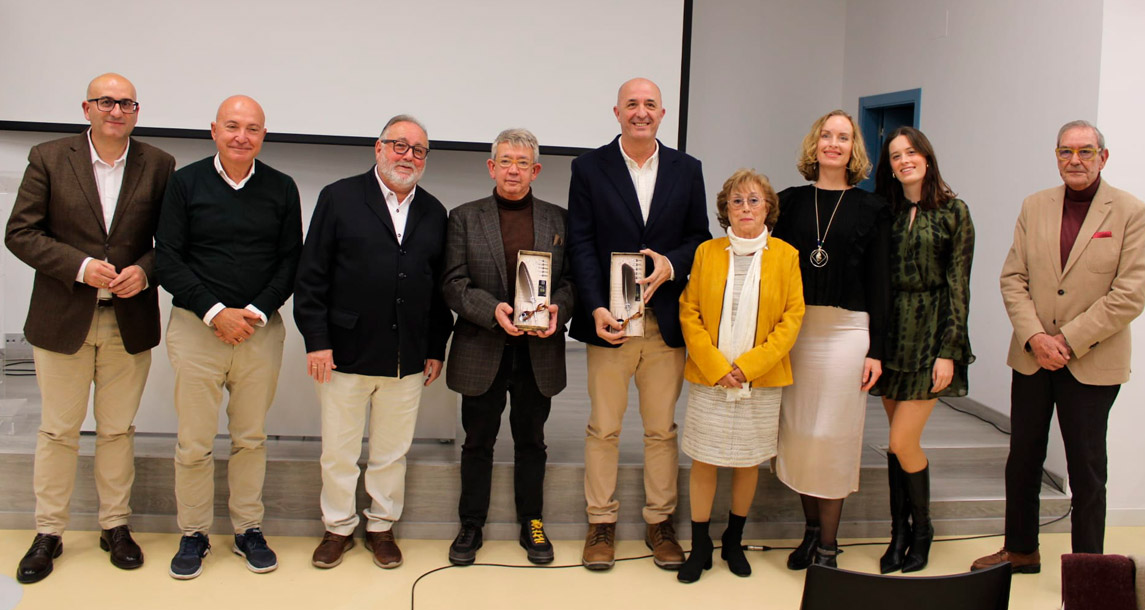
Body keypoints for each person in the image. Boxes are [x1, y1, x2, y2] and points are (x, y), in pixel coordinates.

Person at [6, 73, 175, 584]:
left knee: (118, 430)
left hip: (128, 321)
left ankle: (114, 526)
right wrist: (80, 267)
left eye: (126, 103)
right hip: (63, 319)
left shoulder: (159, 164)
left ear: (136, 111)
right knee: (57, 431)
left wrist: (145, 270)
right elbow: (20, 232)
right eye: (106, 101)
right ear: (87, 108)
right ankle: (49, 532)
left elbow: (171, 242)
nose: (116, 110)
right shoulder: (49, 157)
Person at [973, 120, 1145, 574]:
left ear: (1103, 157)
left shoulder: (1130, 211)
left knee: (1086, 469)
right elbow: (1013, 278)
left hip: (1092, 361)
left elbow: (1130, 294)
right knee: (1023, 458)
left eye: (1086, 152)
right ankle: (1021, 549)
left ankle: (1088, 570)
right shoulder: (1035, 206)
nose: (1075, 160)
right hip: (1032, 357)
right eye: (1066, 152)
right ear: (1056, 156)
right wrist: (1035, 337)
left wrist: (1067, 341)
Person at [293, 114, 452, 571]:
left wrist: (435, 346)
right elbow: (312, 276)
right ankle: (338, 527)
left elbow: (438, 287)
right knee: (339, 450)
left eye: (418, 150)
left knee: (391, 452)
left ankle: (381, 526)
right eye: (399, 145)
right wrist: (317, 341)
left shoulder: (434, 212)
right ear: (378, 148)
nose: (408, 155)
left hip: (407, 355)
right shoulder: (339, 197)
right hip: (343, 352)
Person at [155, 95, 302, 580]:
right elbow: (168, 258)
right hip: (198, 328)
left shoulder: (282, 188)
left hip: (259, 331)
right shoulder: (184, 182)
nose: (242, 136)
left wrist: (255, 312)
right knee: (194, 440)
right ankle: (193, 532)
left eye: (253, 128)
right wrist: (216, 312)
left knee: (250, 438)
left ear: (264, 135)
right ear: (213, 130)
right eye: (233, 126)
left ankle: (247, 529)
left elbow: (290, 261)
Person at [567, 77, 710, 571]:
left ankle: (659, 523)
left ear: (662, 113)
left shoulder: (687, 169)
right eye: (632, 104)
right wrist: (593, 307)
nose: (641, 111)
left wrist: (673, 263)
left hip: (665, 323)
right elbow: (581, 243)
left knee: (660, 432)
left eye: (650, 104)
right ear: (617, 112)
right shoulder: (588, 168)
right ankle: (600, 523)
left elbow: (700, 238)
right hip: (611, 322)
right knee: (603, 428)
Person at [441, 128, 574, 566]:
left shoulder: (559, 219)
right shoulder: (463, 217)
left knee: (531, 441)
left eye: (522, 163)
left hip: (538, 351)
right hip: (483, 345)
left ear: (535, 170)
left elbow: (572, 283)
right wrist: (493, 309)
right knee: (477, 441)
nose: (513, 170)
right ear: (491, 167)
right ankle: (471, 523)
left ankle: (531, 521)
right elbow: (454, 284)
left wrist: (557, 308)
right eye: (505, 161)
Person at [771, 109, 891, 569]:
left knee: (833, 434)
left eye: (844, 137)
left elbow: (881, 283)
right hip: (797, 330)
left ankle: (829, 545)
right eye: (826, 135)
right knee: (799, 434)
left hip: (846, 332)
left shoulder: (873, 208)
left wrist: (877, 349)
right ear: (814, 144)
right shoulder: (789, 202)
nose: (833, 144)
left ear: (854, 149)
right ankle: (809, 534)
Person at [675, 169, 804, 583]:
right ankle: (699, 546)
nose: (745, 208)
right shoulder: (706, 253)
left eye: (754, 200)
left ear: (768, 208)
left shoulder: (786, 255)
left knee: (748, 462)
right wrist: (717, 367)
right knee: (705, 460)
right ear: (724, 209)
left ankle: (733, 540)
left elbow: (792, 318)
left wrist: (748, 367)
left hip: (759, 379)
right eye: (736, 200)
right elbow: (689, 312)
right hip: (711, 377)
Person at [871, 126, 975, 573]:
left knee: (902, 440)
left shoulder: (955, 212)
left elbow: (959, 286)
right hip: (891, 333)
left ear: (926, 158)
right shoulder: (886, 213)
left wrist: (949, 351)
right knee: (896, 446)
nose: (903, 160)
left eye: (910, 152)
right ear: (889, 168)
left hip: (931, 334)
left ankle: (923, 530)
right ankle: (899, 534)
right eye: (895, 156)